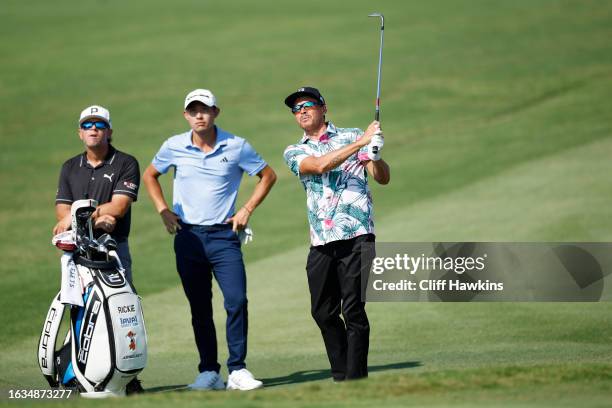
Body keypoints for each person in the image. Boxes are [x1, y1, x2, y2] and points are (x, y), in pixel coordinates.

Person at [142, 89, 277, 391]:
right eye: (193, 110)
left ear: (216, 112)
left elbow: (268, 175)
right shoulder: (173, 146)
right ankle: (209, 371)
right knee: (199, 306)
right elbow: (150, 175)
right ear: (186, 115)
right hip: (188, 237)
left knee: (237, 300)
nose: (199, 115)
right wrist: (163, 210)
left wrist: (246, 209)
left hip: (224, 236)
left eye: (205, 110)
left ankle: (238, 370)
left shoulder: (236, 145)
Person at [282, 86, 390, 381]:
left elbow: (382, 179)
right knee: (322, 311)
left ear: (323, 107)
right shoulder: (294, 150)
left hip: (357, 234)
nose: (302, 111)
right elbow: (317, 166)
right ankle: (343, 371)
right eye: (296, 108)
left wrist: (375, 155)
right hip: (321, 239)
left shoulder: (354, 134)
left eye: (308, 105)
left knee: (353, 310)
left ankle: (353, 379)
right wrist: (362, 144)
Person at [53, 104, 143, 393]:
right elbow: (61, 212)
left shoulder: (126, 163)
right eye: (88, 125)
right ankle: (77, 375)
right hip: (77, 253)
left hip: (113, 252)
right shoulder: (69, 167)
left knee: (120, 310)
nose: (94, 129)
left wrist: (79, 214)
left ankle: (127, 377)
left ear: (109, 131)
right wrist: (93, 216)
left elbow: (118, 207)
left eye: (100, 125)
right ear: (80, 133)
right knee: (80, 313)